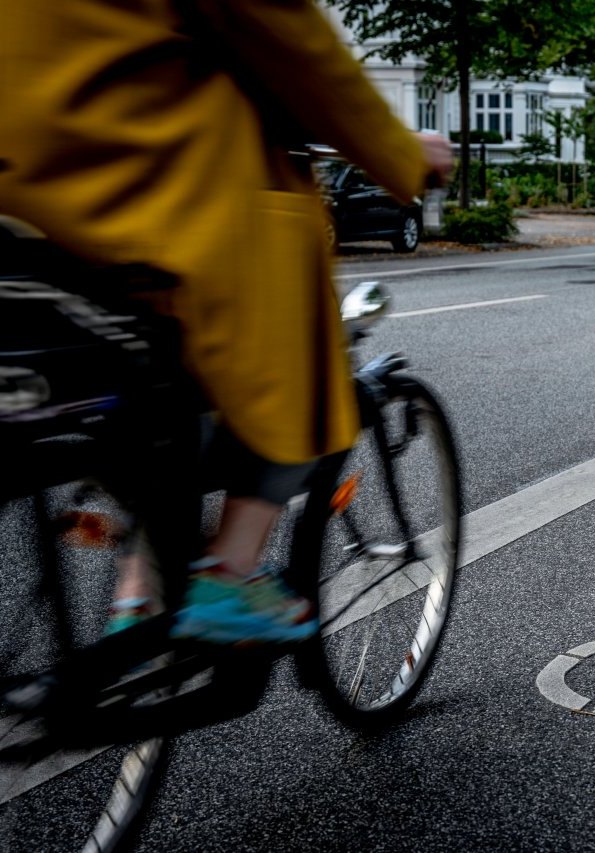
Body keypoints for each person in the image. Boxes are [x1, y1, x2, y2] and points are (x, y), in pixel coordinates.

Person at [0, 0, 452, 645]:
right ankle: (228, 571)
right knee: (302, 360)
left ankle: (142, 590)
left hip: (26, 196)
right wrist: (399, 153)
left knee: (143, 395)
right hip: (146, 181)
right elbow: (293, 39)